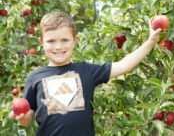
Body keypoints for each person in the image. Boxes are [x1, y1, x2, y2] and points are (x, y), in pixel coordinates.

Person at [9, 11, 161, 136]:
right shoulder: (35, 77)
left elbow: (124, 65)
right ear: (41, 42)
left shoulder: (86, 70)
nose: (58, 46)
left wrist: (150, 42)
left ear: (74, 40)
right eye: (51, 41)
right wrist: (23, 119)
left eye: (64, 40)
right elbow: (29, 115)